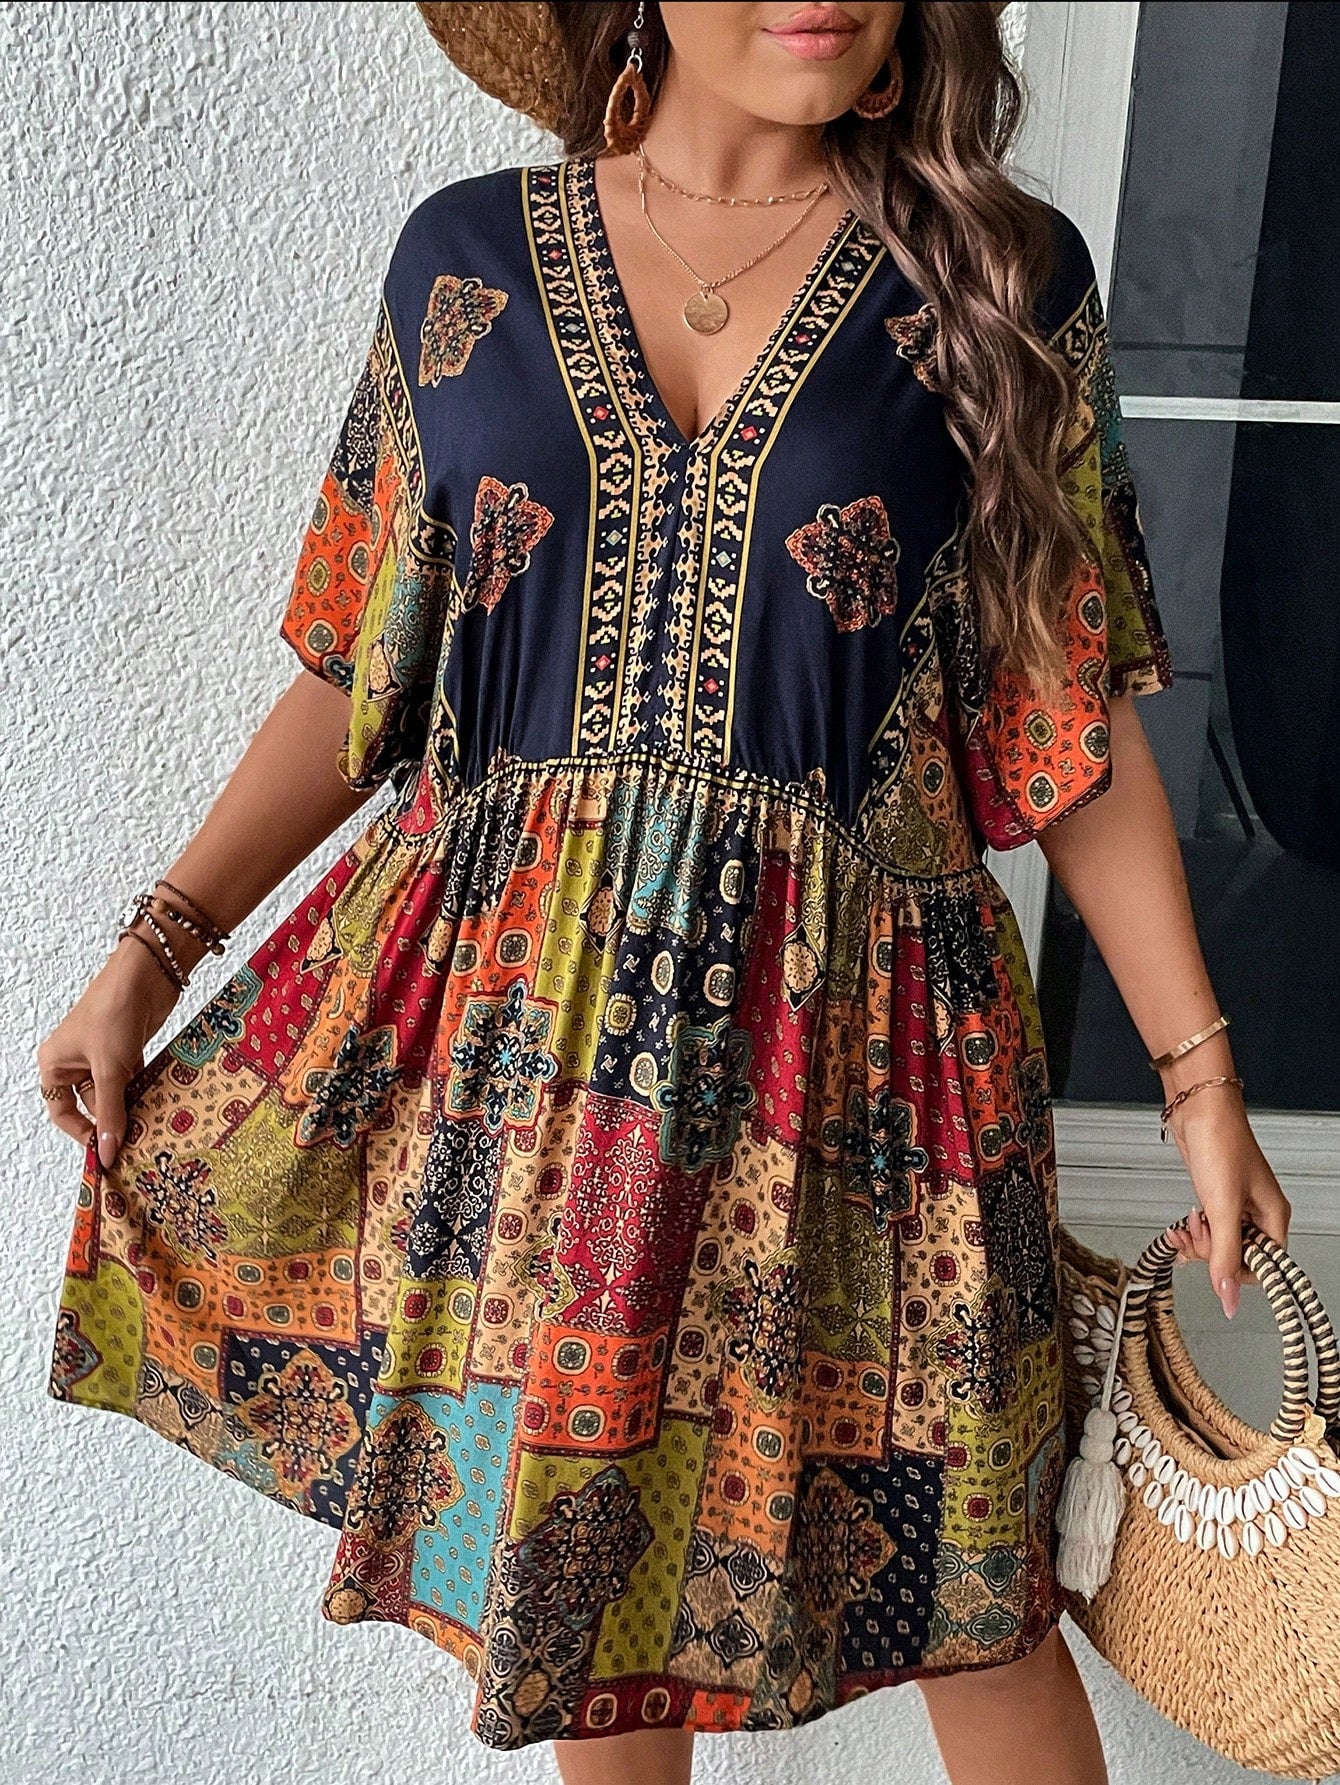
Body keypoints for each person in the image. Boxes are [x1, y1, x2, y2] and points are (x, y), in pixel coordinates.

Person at [39, 3, 1291, 1781]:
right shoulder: (464, 262)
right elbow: (356, 665)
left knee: (978, 1596)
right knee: (584, 1585)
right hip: (538, 1066)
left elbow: (1064, 720)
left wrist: (1199, 1077)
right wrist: (154, 949)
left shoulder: (998, 279)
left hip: (874, 1078)